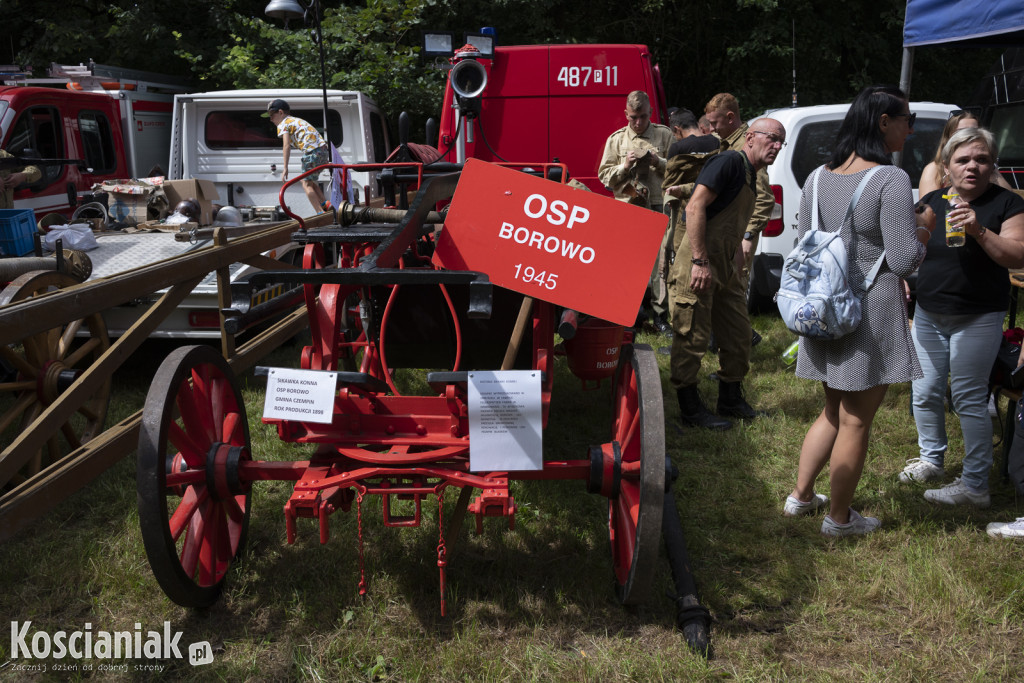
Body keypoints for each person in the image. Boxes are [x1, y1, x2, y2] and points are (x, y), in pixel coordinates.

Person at [784, 85, 934, 536]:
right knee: (855, 419)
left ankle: (802, 497)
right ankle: (840, 519)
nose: (910, 128)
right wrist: (924, 230)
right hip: (869, 310)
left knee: (833, 410)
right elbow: (905, 259)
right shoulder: (889, 179)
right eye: (905, 119)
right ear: (883, 122)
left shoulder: (816, 177)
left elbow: (804, 245)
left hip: (823, 308)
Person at [896, 127, 1024, 508]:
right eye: (963, 160)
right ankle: (932, 459)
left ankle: (974, 485)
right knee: (925, 391)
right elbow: (914, 245)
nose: (973, 166)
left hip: (978, 315)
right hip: (930, 311)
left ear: (992, 165)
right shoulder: (933, 199)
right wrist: (903, 274)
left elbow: (1017, 256)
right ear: (947, 167)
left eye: (982, 159)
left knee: (969, 398)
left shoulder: (1007, 204)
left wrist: (979, 230)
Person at [669, 118, 785, 430]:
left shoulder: (752, 174)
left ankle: (730, 399)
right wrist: (700, 261)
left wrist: (735, 257)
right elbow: (695, 208)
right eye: (771, 138)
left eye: (780, 142)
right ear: (750, 137)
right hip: (699, 264)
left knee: (738, 334)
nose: (776, 146)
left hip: (725, 267)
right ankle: (690, 410)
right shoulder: (729, 162)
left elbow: (730, 220)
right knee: (691, 336)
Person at [597, 90, 674, 333]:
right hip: (628, 209)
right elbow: (604, 178)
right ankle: (632, 316)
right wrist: (624, 166)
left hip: (658, 207)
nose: (638, 123)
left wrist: (657, 162)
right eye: (632, 118)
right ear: (626, 115)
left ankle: (661, 317)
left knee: (661, 264)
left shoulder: (664, 135)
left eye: (642, 117)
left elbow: (677, 170)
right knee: (628, 266)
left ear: (650, 113)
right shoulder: (617, 140)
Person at [919, 111, 1012, 196]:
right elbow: (928, 208)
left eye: (974, 131)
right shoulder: (934, 169)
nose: (968, 135)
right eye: (961, 132)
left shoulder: (987, 167)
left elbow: (1008, 198)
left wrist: (991, 169)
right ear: (948, 137)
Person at [266, 99, 330, 214]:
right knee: (310, 181)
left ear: (280, 112)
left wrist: (285, 167)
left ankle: (320, 213)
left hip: (312, 152)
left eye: (272, 115)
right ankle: (326, 204)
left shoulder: (284, 123)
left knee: (304, 182)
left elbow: (286, 146)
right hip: (323, 151)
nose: (270, 119)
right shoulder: (295, 120)